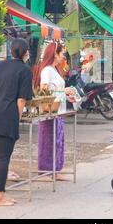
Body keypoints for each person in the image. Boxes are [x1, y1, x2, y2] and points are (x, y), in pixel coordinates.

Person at [0, 39, 33, 206]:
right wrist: (16, 119)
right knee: (3, 158)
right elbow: (21, 100)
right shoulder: (25, 70)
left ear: (11, 52)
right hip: (6, 116)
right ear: (25, 54)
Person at [33, 42, 69, 180]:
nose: (63, 56)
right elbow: (44, 89)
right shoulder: (47, 70)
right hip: (50, 110)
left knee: (58, 140)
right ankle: (45, 170)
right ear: (55, 53)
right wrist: (62, 91)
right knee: (48, 140)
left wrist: (66, 93)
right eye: (61, 53)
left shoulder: (55, 70)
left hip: (59, 110)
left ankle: (56, 169)